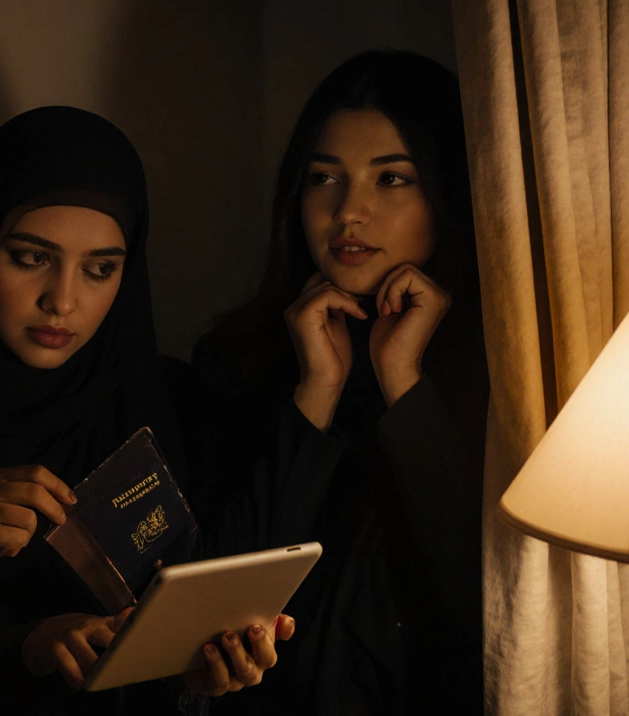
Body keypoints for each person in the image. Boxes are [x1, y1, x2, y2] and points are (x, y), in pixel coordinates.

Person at [0, 106, 326, 715]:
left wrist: (197, 676)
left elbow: (195, 631)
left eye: (100, 269)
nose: (62, 301)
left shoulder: (165, 404)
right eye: (30, 257)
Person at [193, 50, 489, 714]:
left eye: (392, 180)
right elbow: (210, 607)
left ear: (447, 194)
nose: (348, 211)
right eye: (325, 177)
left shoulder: (503, 375)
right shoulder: (234, 360)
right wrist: (315, 394)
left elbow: (488, 608)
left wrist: (403, 383)